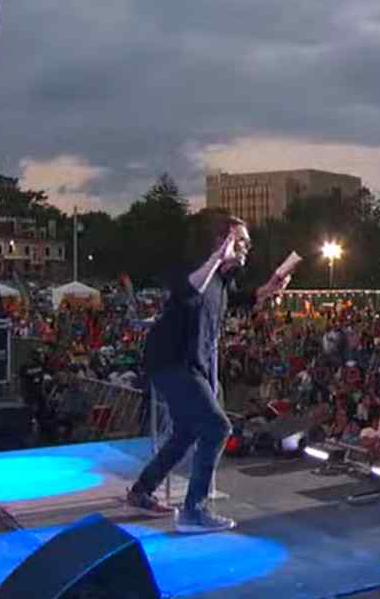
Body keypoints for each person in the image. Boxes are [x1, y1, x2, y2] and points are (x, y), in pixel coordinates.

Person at [127, 215, 296, 533]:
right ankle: (194, 511)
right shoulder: (190, 270)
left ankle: (142, 490)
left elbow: (239, 300)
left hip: (194, 364)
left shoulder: (221, 281)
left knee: (187, 432)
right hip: (170, 362)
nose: (248, 247)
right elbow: (190, 290)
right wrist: (218, 257)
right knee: (218, 427)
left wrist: (268, 290)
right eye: (241, 241)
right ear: (221, 242)